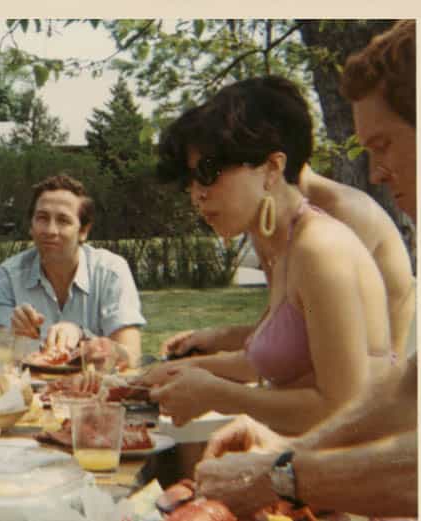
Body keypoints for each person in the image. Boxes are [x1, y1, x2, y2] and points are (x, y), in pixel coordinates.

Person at [195, 20, 417, 521]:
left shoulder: (323, 239)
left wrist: (282, 472)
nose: (376, 171)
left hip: (369, 510)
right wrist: (286, 454)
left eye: (384, 144)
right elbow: (410, 390)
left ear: (271, 168)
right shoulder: (282, 245)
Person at [145, 76, 393, 436]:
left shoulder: (319, 249)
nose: (197, 194)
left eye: (208, 172)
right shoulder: (284, 245)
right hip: (299, 458)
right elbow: (276, 359)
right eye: (190, 180)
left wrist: (221, 395)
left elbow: (344, 409)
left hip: (345, 474)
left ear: (272, 168)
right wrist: (190, 372)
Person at [160, 163, 415, 360]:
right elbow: (279, 328)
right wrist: (213, 340)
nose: (197, 196)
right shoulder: (272, 221)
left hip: (377, 405)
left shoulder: (338, 217)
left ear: (273, 163)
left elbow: (339, 367)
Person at [0, 173, 145, 365]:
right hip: (31, 391)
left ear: (83, 231)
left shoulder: (111, 271)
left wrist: (81, 336)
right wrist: (14, 334)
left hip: (95, 390)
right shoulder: (8, 275)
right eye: (42, 218)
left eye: (63, 220)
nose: (51, 230)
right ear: (31, 226)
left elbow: (131, 355)